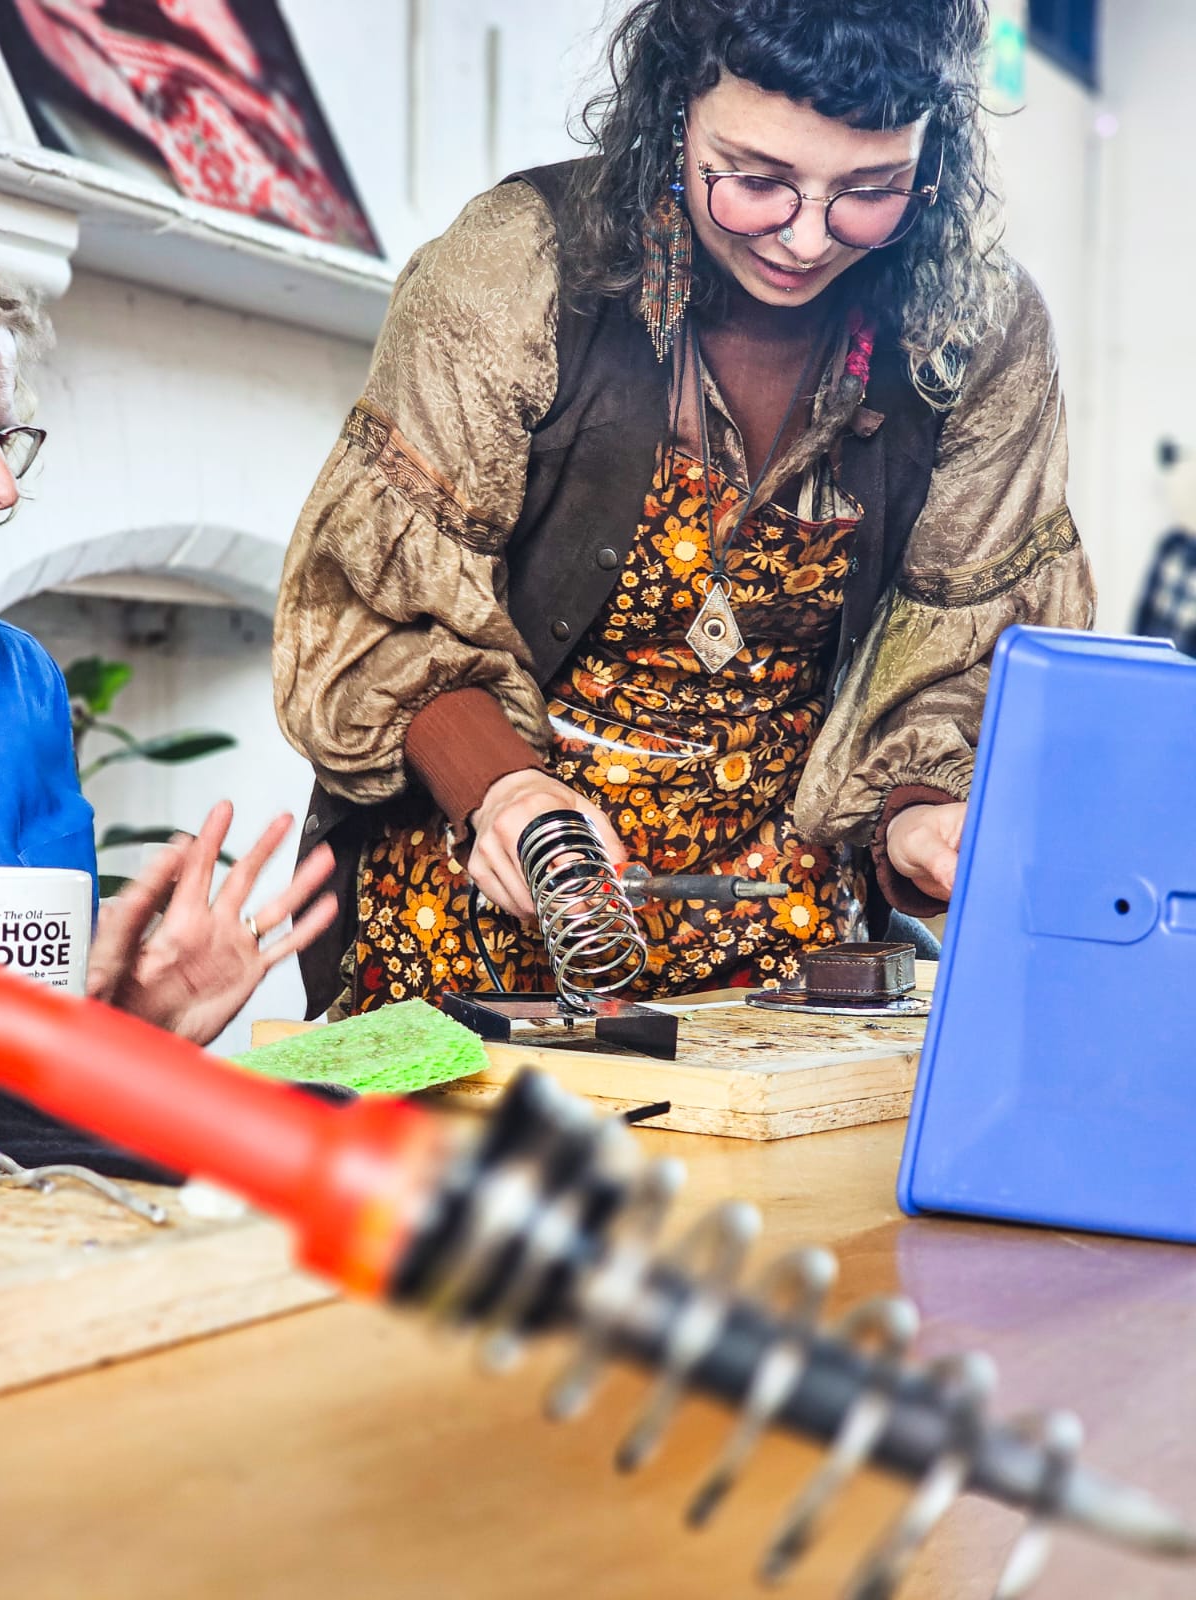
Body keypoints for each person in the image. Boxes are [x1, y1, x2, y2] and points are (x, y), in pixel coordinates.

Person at [275, 0, 1095, 1019]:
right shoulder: (514, 272)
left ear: (934, 162)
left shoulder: (980, 335)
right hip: (495, 901)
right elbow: (377, 612)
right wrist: (506, 792)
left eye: (871, 191)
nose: (805, 236)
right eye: (754, 180)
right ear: (674, 108)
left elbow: (962, 661)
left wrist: (923, 818)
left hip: (782, 934)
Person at [0, 279, 336, 1047]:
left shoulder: (27, 682)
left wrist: (130, 1028)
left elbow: (40, 1033)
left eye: (3, 442)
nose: (6, 490)